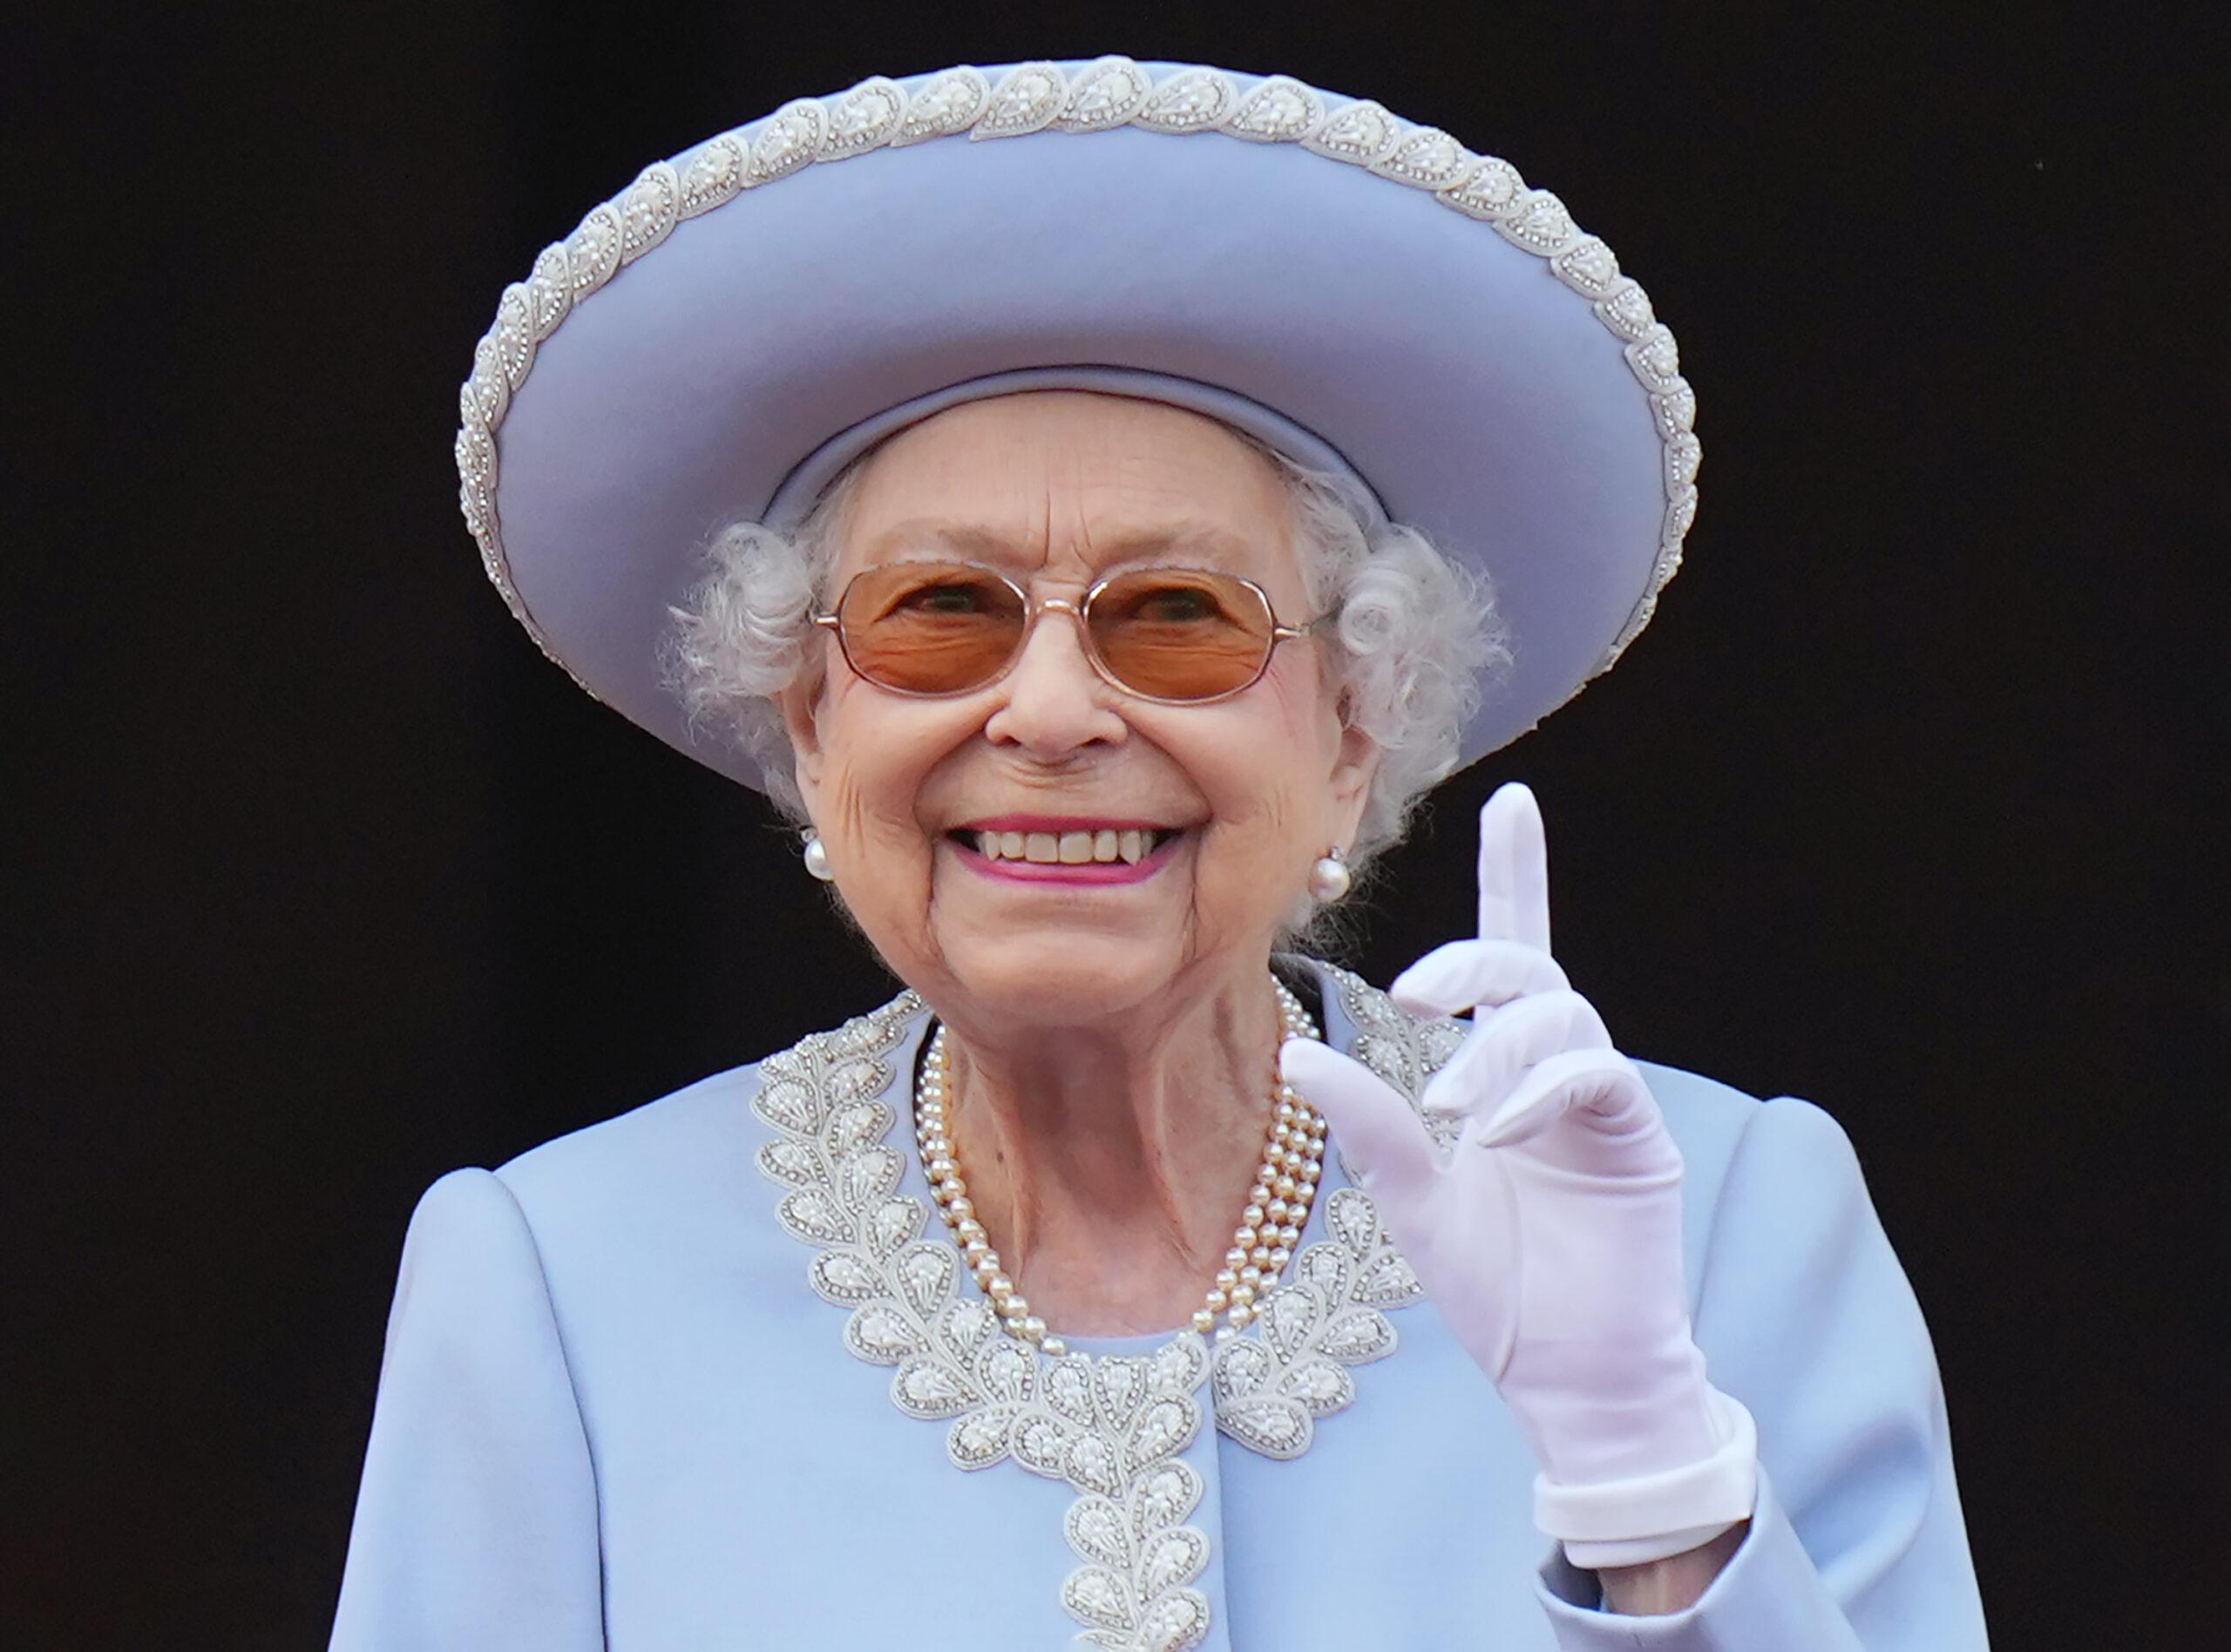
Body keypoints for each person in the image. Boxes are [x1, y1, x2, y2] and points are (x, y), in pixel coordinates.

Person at [334, 58, 1987, 1649]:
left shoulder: (1724, 1227)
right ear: (812, 729)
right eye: (940, 617)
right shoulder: (556, 1281)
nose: (1048, 709)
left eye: (1180, 619)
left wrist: (1657, 1497)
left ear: (1352, 732)